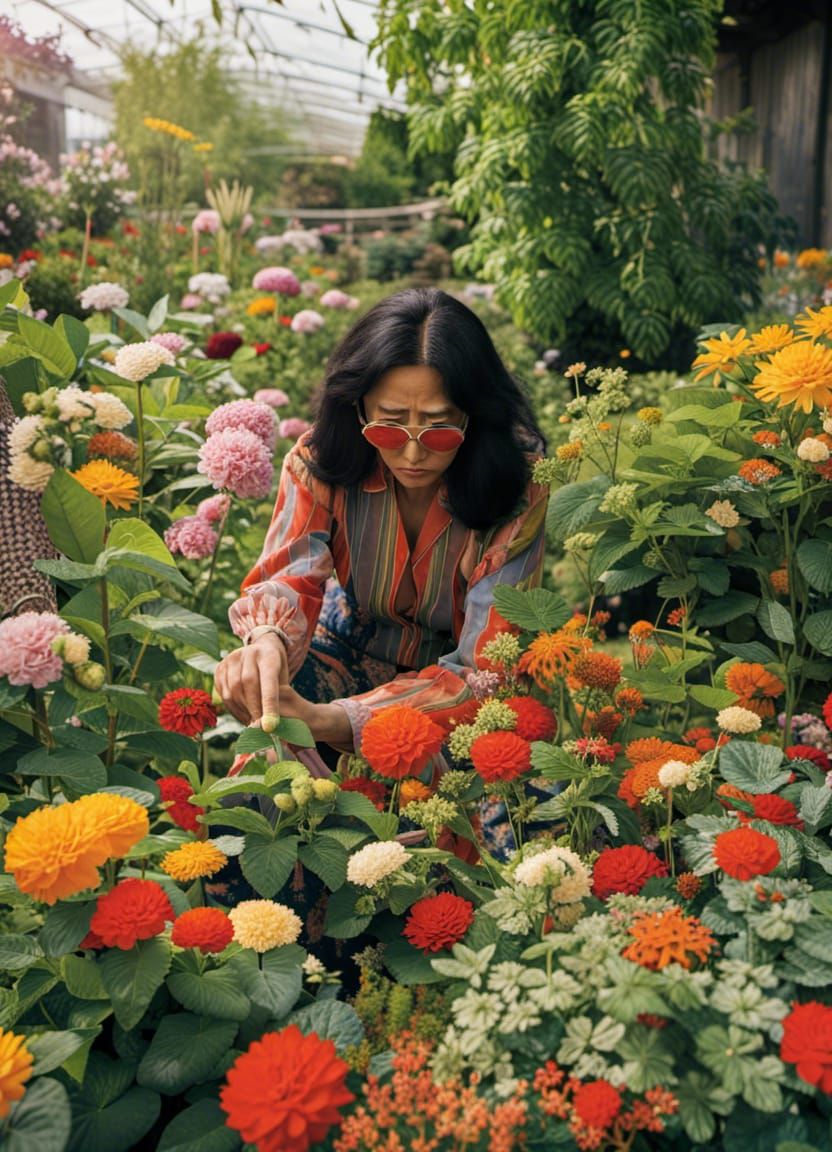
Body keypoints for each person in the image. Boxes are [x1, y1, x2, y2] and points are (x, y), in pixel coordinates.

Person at [214, 286, 549, 772]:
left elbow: (487, 671)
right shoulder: (319, 462)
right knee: (266, 764)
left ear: (475, 419)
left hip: (459, 688)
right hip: (342, 650)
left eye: (438, 428)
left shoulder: (520, 487)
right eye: (389, 427)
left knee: (512, 803)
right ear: (358, 409)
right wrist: (267, 640)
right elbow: (290, 574)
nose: (413, 453)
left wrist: (337, 721)